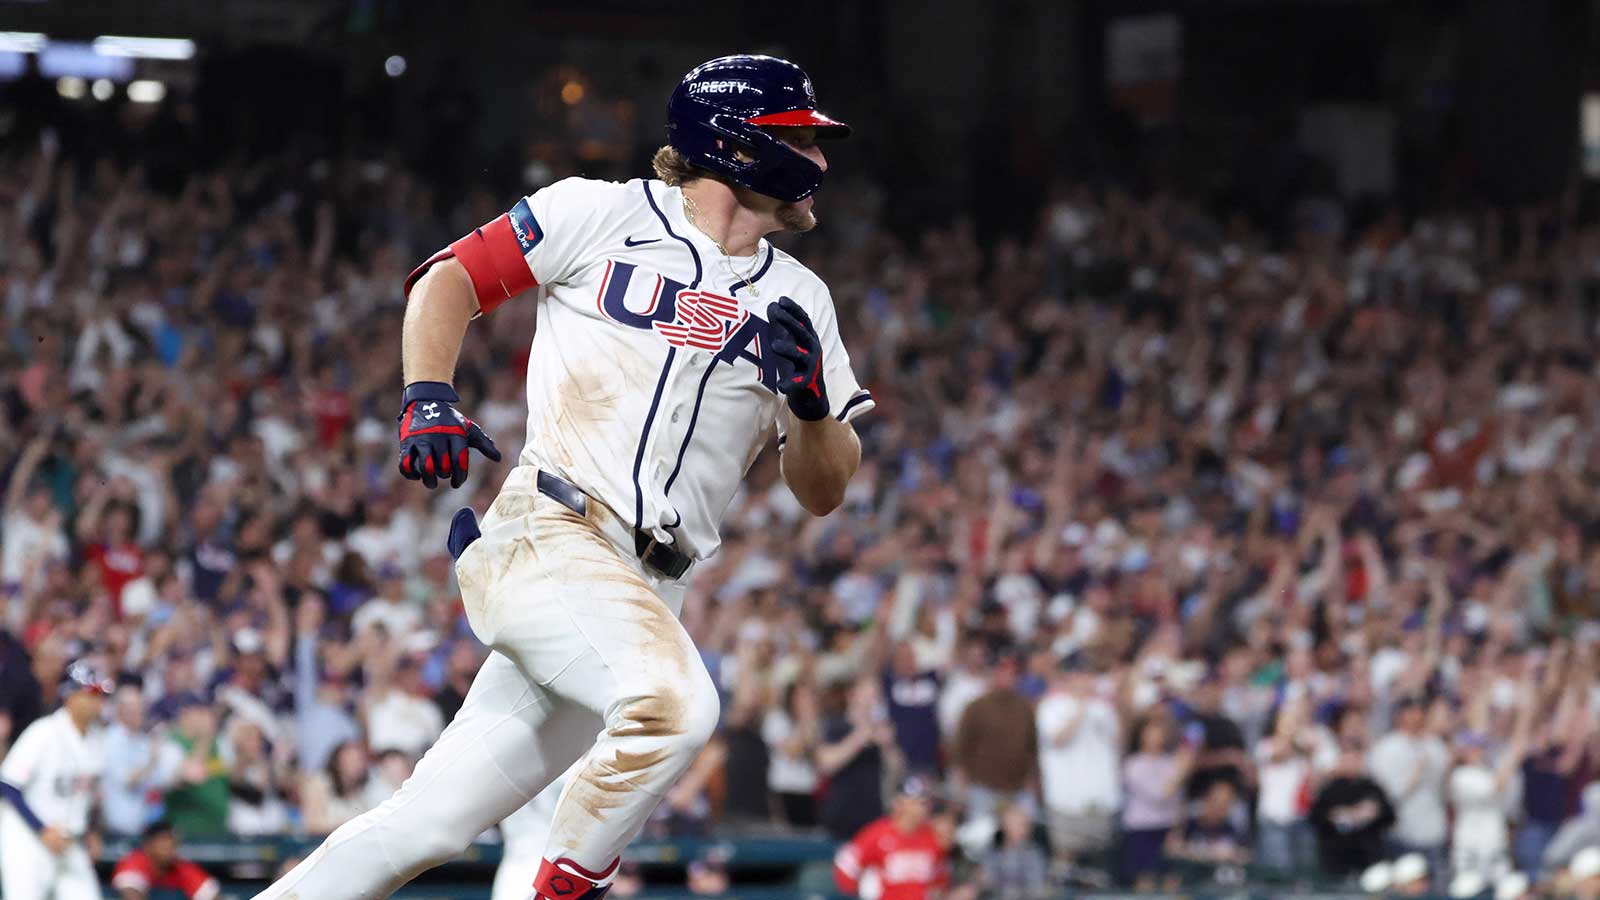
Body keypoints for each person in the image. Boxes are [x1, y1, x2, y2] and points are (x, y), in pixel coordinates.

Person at [251, 52, 870, 900]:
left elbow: (825, 487)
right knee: (679, 708)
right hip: (558, 531)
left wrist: (807, 408)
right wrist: (427, 394)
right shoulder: (598, 213)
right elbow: (451, 279)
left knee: (421, 826)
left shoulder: (802, 298)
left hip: (648, 593)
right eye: (800, 138)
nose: (820, 162)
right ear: (737, 145)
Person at [0, 661, 111, 900]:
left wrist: (92, 830)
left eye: (100, 693)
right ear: (70, 696)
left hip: (69, 841)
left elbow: (88, 794)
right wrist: (42, 830)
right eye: (91, 693)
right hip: (27, 839)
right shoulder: (44, 732)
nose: (97, 701)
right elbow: (7, 785)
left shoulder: (97, 739)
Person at [1035, 656, 1120, 870]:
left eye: (1087, 674)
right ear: (1068, 677)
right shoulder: (1051, 706)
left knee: (1099, 862)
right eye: (1079, 674)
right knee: (1065, 859)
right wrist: (1081, 707)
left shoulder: (1103, 708)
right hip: (1066, 799)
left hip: (1100, 797)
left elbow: (1119, 743)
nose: (1084, 680)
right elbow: (1058, 739)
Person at [1368, 697, 1449, 879]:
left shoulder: (1434, 745)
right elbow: (1386, 794)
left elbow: (1444, 785)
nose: (1417, 717)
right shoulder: (1386, 748)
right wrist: (1415, 773)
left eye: (1421, 712)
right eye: (1412, 712)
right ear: (1400, 716)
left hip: (1433, 830)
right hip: (1401, 831)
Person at [952, 652, 1039, 821]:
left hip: (1017, 788)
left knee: (1019, 836)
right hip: (983, 786)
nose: (1007, 677)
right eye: (1002, 671)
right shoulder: (975, 707)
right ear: (993, 674)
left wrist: (1030, 781)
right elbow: (961, 748)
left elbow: (1031, 747)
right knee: (982, 835)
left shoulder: (1025, 708)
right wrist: (963, 785)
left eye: (1012, 673)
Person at [833, 776, 948, 900]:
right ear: (900, 803)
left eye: (926, 802)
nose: (925, 808)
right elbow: (845, 869)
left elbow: (940, 879)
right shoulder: (877, 833)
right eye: (919, 802)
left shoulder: (932, 836)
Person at [1119, 713, 1193, 889]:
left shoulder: (1170, 762)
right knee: (1145, 881)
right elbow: (1159, 795)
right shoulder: (1133, 764)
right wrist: (1181, 772)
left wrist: (1177, 830)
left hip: (1167, 828)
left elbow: (1178, 800)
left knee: (1171, 881)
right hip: (1142, 829)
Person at [1308, 740, 1396, 879]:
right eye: (1348, 760)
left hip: (1368, 857)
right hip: (1336, 858)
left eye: (1356, 759)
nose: (1352, 764)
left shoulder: (1373, 788)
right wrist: (1342, 814)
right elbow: (1316, 818)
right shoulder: (1330, 790)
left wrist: (1374, 814)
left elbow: (1390, 817)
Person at [110, 820, 221, 900]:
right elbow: (131, 895)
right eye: (163, 841)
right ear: (148, 845)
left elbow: (212, 896)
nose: (169, 847)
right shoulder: (135, 861)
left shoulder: (181, 867)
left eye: (173, 843)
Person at [980, 804, 1052, 899]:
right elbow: (985, 880)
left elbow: (1035, 886)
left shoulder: (1034, 855)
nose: (1021, 830)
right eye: (1013, 824)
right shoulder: (993, 852)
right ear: (1004, 826)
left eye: (1023, 825)